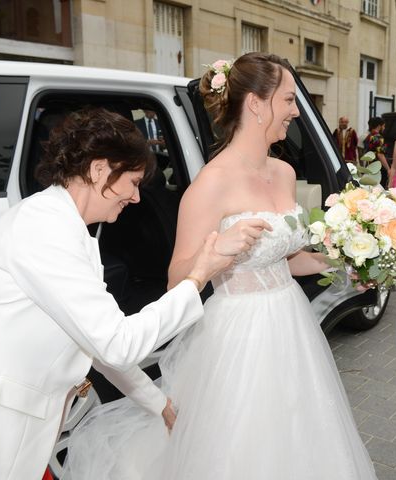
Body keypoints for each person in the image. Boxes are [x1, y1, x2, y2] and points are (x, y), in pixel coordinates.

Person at [65, 53, 378, 479]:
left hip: (291, 324)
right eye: (288, 99)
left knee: (301, 437)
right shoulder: (209, 184)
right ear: (256, 103)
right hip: (238, 334)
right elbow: (178, 278)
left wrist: (344, 264)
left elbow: (288, 260)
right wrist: (220, 252)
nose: (294, 110)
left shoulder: (285, 173)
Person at [0, 107, 244, 480]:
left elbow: (98, 341)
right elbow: (117, 343)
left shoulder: (68, 228)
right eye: (132, 181)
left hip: (19, 419)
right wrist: (197, 277)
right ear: (100, 169)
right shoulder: (43, 228)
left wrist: (157, 402)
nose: (134, 197)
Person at [363, 116, 389, 187]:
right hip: (378, 169)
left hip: (369, 167)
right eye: (383, 126)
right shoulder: (378, 137)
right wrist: (388, 169)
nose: (384, 128)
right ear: (379, 126)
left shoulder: (368, 136)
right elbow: (380, 155)